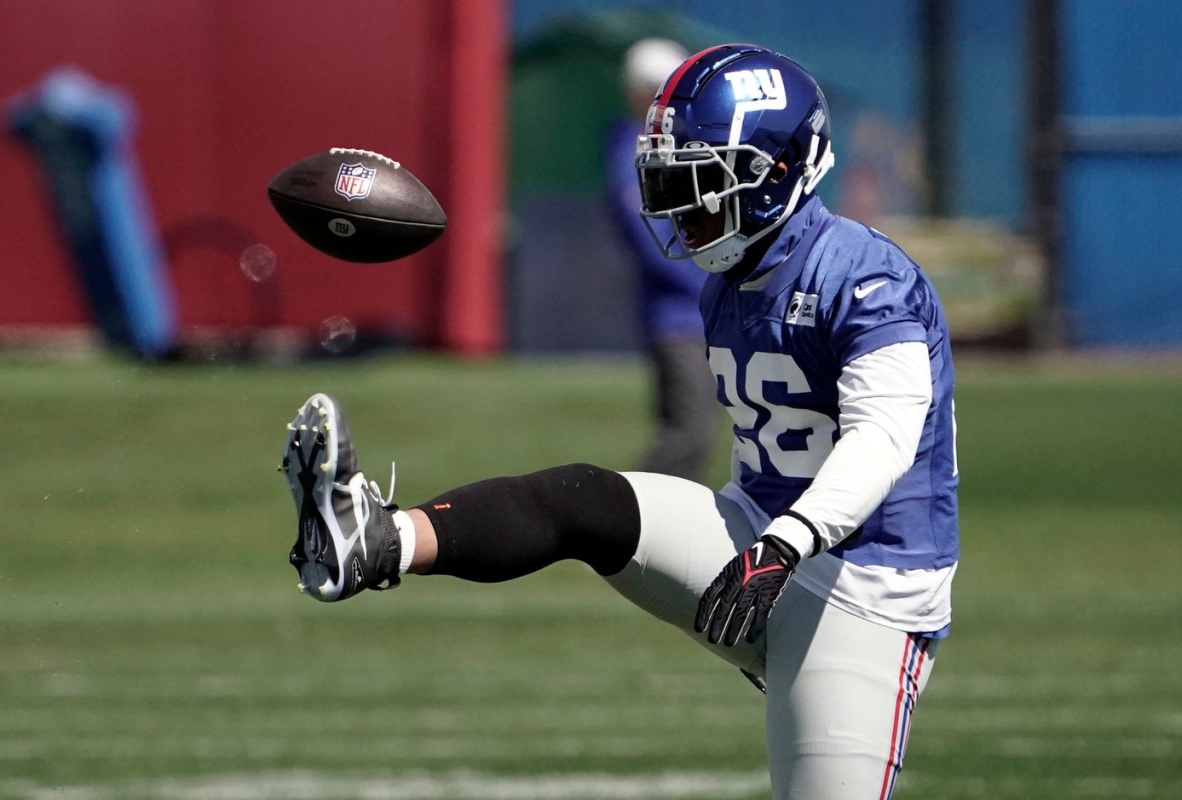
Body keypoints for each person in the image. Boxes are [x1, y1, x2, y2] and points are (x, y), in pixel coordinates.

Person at [282, 43, 958, 800]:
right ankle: (374, 540)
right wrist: (766, 538)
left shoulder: (867, 277)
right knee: (585, 502)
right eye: (671, 182)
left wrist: (786, 541)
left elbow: (884, 440)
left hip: (863, 587)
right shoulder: (731, 282)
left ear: (774, 174)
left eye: (702, 182)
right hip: (755, 538)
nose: (680, 209)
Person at [607, 37, 718, 482]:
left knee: (699, 435)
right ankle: (628, 522)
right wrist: (711, 282)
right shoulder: (628, 151)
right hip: (678, 317)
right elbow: (650, 239)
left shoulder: (681, 146)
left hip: (700, 310)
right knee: (687, 434)